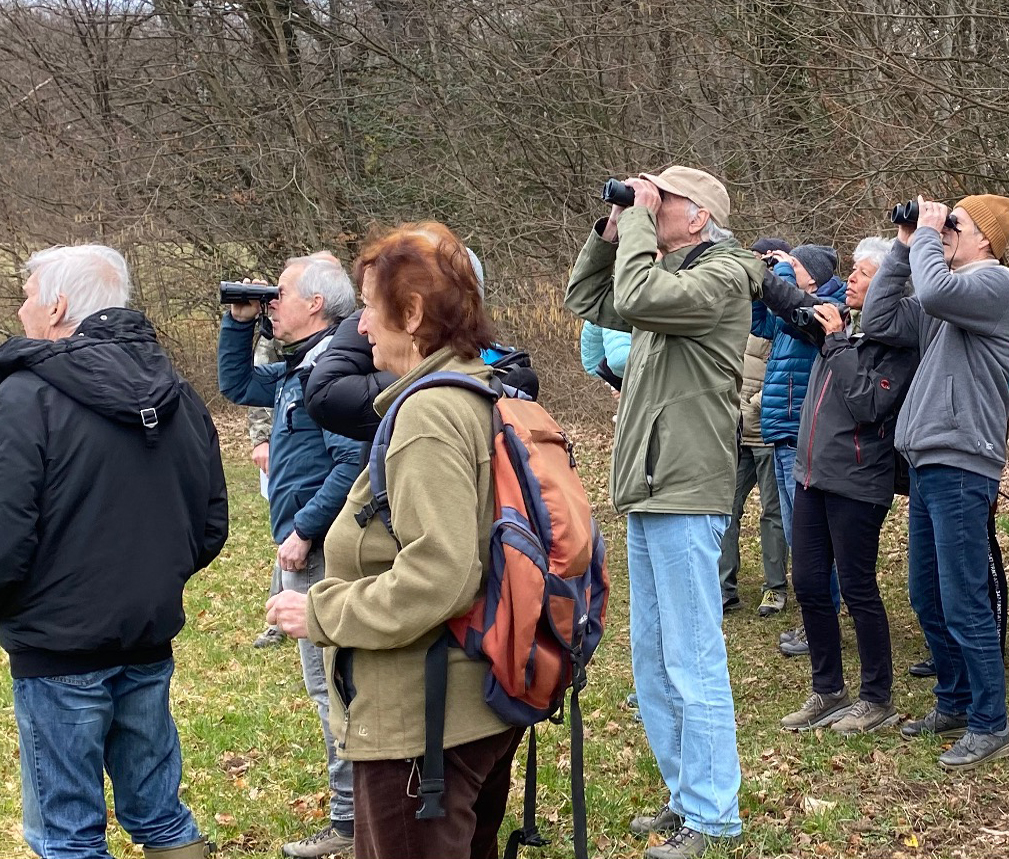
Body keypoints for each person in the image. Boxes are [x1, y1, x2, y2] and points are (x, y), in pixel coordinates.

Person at [266, 222, 523, 859]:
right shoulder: (470, 386)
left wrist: (321, 611)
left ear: (409, 314)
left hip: (421, 721)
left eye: (370, 310)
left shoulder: (429, 415)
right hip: (464, 705)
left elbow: (440, 571)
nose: (360, 328)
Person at [0, 244, 228, 859]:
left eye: (26, 295)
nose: (20, 309)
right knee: (159, 812)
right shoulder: (177, 394)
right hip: (144, 635)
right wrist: (151, 579)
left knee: (65, 831)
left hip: (58, 644)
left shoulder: (23, 398)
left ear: (57, 306)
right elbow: (210, 524)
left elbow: (5, 535)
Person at [565, 166, 765, 858]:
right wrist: (613, 229)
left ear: (699, 217)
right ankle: (685, 796)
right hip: (649, 486)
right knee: (652, 658)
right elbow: (588, 293)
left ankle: (712, 817)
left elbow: (640, 290)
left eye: (662, 201)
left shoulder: (722, 278)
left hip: (686, 484)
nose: (648, 207)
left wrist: (639, 227)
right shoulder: (663, 280)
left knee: (692, 656)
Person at [218, 252, 362, 856]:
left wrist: (303, 530)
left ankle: (351, 818)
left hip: (323, 547)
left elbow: (349, 461)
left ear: (316, 304)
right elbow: (236, 385)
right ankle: (355, 812)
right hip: (305, 541)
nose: (271, 301)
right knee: (326, 685)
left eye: (280, 293)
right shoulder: (301, 365)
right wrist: (238, 321)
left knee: (331, 685)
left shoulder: (329, 369)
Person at [861, 193, 1009, 770]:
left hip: (963, 462)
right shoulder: (944, 293)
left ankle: (990, 718)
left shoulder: (995, 288)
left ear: (987, 241)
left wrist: (924, 233)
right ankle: (953, 698)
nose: (944, 231)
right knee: (927, 592)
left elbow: (939, 291)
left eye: (956, 225)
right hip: (926, 461)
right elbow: (876, 320)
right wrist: (904, 245)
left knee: (964, 594)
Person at [760, 237, 921, 734]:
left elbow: (868, 405)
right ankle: (828, 690)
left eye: (864, 273)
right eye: (851, 270)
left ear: (889, 288)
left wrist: (835, 344)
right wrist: (762, 273)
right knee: (809, 583)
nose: (850, 278)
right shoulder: (838, 322)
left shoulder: (899, 342)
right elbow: (792, 304)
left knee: (858, 588)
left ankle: (877, 698)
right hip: (811, 475)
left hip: (857, 483)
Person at [753, 245, 846, 650]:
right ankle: (816, 621)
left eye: (796, 267)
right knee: (797, 537)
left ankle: (822, 625)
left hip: (800, 433)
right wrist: (758, 281)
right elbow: (761, 323)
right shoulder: (796, 309)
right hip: (781, 432)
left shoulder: (827, 308)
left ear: (811, 273)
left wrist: (783, 273)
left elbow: (793, 317)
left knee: (810, 541)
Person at [719, 238, 791, 615]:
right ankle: (723, 588)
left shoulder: (783, 311)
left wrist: (758, 403)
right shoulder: (739, 309)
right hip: (735, 430)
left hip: (767, 430)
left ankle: (775, 587)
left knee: (773, 514)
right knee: (725, 508)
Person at [249, 331, 288, 649]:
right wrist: (261, 437)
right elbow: (255, 376)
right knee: (288, 534)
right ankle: (278, 619)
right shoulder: (274, 332)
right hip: (281, 441)